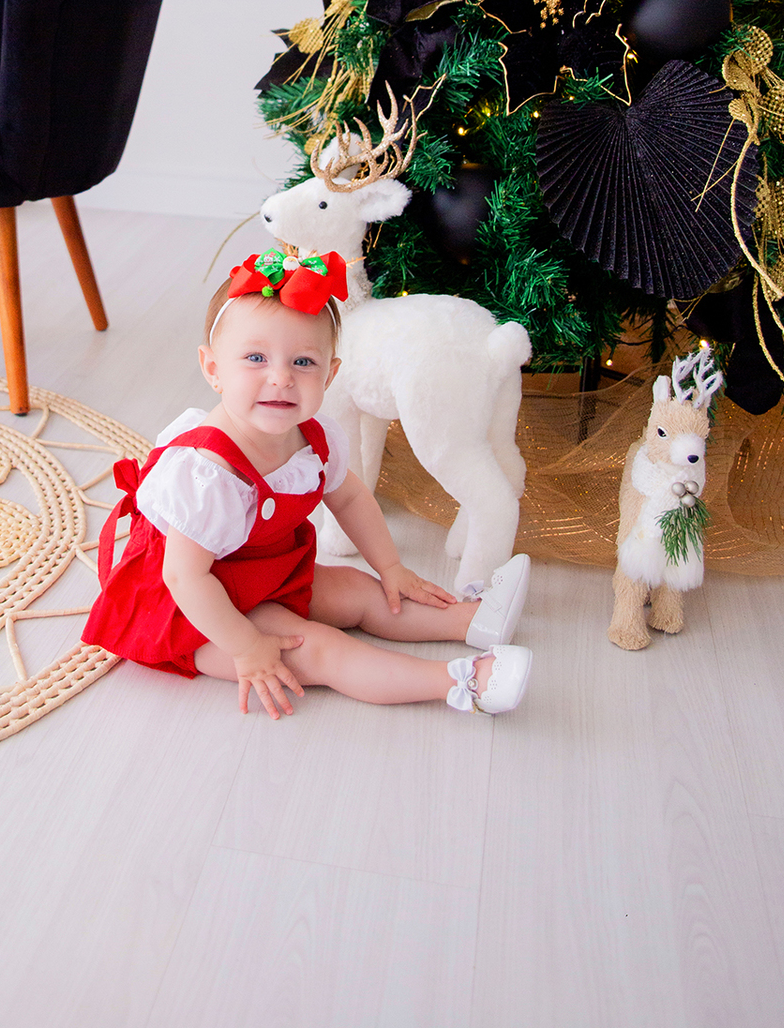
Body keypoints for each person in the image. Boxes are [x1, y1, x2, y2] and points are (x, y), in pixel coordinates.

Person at [82, 248, 532, 719]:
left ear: (330, 374)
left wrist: (392, 567)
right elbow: (184, 577)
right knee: (320, 648)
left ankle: (473, 619)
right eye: (255, 358)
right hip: (195, 611)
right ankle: (462, 683)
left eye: (303, 363)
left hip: (263, 570)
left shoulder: (313, 438)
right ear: (213, 369)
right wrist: (246, 645)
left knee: (360, 589)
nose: (280, 378)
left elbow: (351, 497)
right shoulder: (209, 472)